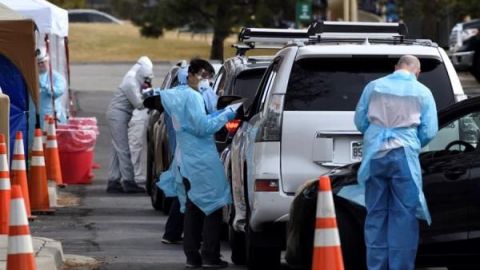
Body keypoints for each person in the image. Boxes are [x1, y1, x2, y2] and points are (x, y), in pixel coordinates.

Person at [354, 55, 438, 270]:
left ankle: (376, 266)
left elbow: (360, 121)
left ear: (396, 68)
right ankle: (400, 266)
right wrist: (411, 140)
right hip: (405, 155)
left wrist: (377, 134)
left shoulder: (373, 87)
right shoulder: (422, 92)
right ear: (416, 72)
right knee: (403, 215)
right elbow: (429, 130)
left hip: (376, 154)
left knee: (376, 213)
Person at [157, 58, 235, 268]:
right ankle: (210, 255)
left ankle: (193, 257)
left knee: (193, 207)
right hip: (201, 159)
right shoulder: (192, 97)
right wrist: (228, 113)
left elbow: (193, 123)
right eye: (202, 75)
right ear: (190, 74)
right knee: (214, 205)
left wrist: (218, 113)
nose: (205, 81)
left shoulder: (177, 95)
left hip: (185, 159)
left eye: (208, 77)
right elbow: (202, 127)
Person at [105, 56, 153, 194]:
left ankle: (113, 181)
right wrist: (150, 97)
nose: (146, 82)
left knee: (117, 149)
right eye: (146, 79)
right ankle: (129, 181)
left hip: (119, 115)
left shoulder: (133, 78)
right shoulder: (130, 83)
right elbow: (138, 104)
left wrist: (146, 90)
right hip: (117, 116)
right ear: (142, 74)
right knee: (124, 148)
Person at [127, 74, 152, 186]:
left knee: (136, 146)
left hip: (140, 117)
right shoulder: (132, 84)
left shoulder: (137, 83)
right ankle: (134, 174)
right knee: (135, 146)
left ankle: (134, 174)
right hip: (137, 118)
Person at [37, 51, 67, 126]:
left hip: (51, 117)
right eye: (38, 63)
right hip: (34, 118)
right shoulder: (31, 77)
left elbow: (58, 91)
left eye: (42, 62)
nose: (40, 65)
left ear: (48, 61)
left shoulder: (56, 77)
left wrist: (45, 86)